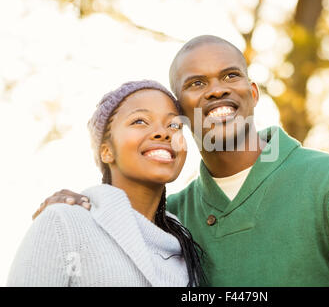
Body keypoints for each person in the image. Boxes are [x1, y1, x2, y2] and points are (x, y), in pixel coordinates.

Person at [31, 35, 329, 286]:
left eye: (230, 75)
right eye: (196, 83)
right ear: (180, 109)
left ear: (253, 92)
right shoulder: (173, 221)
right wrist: (77, 205)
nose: (217, 89)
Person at [8, 80, 205, 287]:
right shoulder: (63, 222)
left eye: (174, 125)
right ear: (106, 151)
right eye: (140, 121)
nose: (163, 133)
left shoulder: (187, 247)